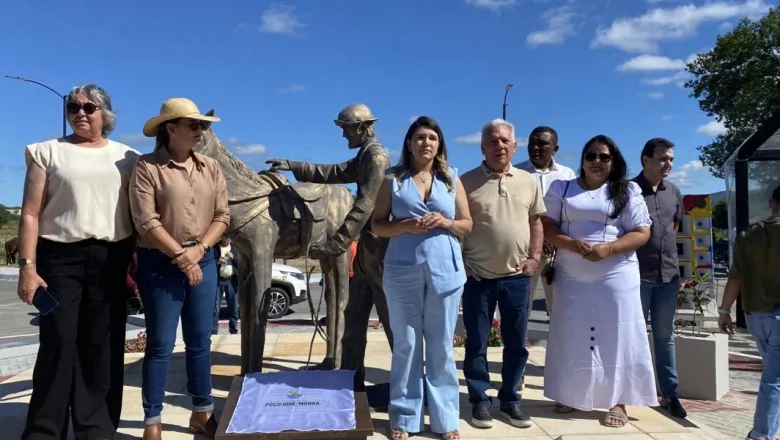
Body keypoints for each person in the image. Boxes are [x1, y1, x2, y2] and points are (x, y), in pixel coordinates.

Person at [17, 84, 139, 440]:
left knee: (102, 345)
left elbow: (140, 214)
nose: (80, 113)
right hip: (59, 259)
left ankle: (96, 427)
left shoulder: (127, 157)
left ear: (106, 115)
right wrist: (27, 267)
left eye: (89, 107)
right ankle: (44, 430)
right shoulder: (46, 152)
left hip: (110, 259)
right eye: (73, 107)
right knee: (58, 343)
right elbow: (29, 214)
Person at [265, 103, 393, 383]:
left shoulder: (376, 157)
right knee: (353, 322)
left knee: (391, 321)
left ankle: (411, 389)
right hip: (365, 254)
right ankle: (350, 379)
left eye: (347, 130)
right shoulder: (364, 155)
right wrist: (294, 165)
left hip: (379, 254)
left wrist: (335, 245)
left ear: (363, 127)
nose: (344, 136)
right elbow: (333, 172)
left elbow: (364, 206)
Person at [541, 135, 657, 427]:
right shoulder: (561, 188)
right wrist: (570, 244)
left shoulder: (627, 190)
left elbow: (641, 232)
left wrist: (608, 249)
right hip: (571, 272)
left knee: (616, 335)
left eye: (604, 157)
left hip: (616, 272)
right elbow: (546, 226)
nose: (597, 162)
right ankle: (570, 394)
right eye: (591, 156)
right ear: (582, 159)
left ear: (613, 161)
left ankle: (618, 401)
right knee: (571, 331)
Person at [129, 97, 227, 440]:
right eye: (194, 125)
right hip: (160, 262)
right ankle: (151, 420)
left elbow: (222, 216)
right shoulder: (147, 167)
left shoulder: (211, 168)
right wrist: (181, 257)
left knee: (200, 341)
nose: (201, 131)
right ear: (171, 129)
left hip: (203, 258)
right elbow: (146, 221)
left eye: (202, 125)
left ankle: (202, 412)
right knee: (160, 344)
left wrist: (199, 250)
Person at [371, 117, 473, 440]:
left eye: (431, 138)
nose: (425, 143)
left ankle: (445, 418)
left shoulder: (451, 179)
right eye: (419, 137)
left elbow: (467, 225)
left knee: (442, 344)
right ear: (409, 143)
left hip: (445, 270)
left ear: (439, 144)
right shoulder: (392, 180)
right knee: (407, 344)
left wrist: (446, 221)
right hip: (402, 270)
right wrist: (404, 226)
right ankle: (404, 417)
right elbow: (376, 225)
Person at [460, 119, 545, 429]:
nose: (499, 146)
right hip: (477, 278)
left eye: (504, 141)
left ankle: (510, 400)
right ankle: (480, 401)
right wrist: (462, 263)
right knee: (477, 344)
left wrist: (534, 258)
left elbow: (536, 223)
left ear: (514, 146)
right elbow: (457, 226)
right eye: (492, 141)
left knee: (517, 344)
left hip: (517, 279)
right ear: (483, 147)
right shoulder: (465, 182)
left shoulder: (527, 181)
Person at [718, 184, 780, 440]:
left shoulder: (748, 235)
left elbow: (735, 277)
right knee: (773, 381)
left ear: (771, 203)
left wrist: (724, 311)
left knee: (774, 375)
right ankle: (760, 435)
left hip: (756, 316)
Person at [633, 138, 687, 418]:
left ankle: (670, 394)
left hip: (669, 277)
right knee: (634, 337)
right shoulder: (628, 190)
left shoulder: (673, 191)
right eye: (663, 158)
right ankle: (632, 392)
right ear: (646, 160)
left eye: (671, 159)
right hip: (638, 278)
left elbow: (674, 226)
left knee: (665, 337)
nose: (669, 164)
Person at [515, 126, 576, 318]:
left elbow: (571, 212)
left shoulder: (567, 176)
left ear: (555, 149)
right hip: (525, 252)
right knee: (520, 309)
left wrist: (553, 238)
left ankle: (559, 348)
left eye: (542, 144)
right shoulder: (516, 172)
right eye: (532, 143)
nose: (535, 148)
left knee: (560, 311)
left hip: (557, 254)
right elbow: (514, 213)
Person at [213, 236, 239, 335]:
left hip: (231, 280)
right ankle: (214, 330)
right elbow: (209, 264)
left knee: (233, 307)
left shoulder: (234, 249)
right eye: (225, 238)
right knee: (216, 306)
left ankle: (233, 329)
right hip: (218, 281)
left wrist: (233, 258)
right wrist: (218, 262)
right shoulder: (215, 248)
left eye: (229, 238)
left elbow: (240, 264)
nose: (227, 239)